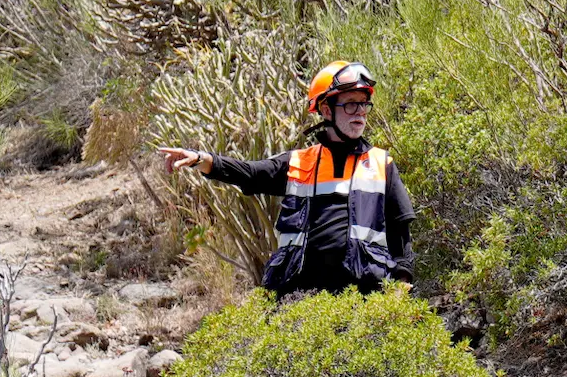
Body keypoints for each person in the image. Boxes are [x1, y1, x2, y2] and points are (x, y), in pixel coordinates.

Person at [157, 61, 415, 297]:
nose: (360, 112)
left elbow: (400, 233)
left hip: (365, 299)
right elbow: (250, 174)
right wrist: (201, 159)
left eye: (364, 104)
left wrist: (402, 285)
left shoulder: (382, 164)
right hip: (301, 301)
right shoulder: (298, 162)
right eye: (350, 104)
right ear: (326, 110)